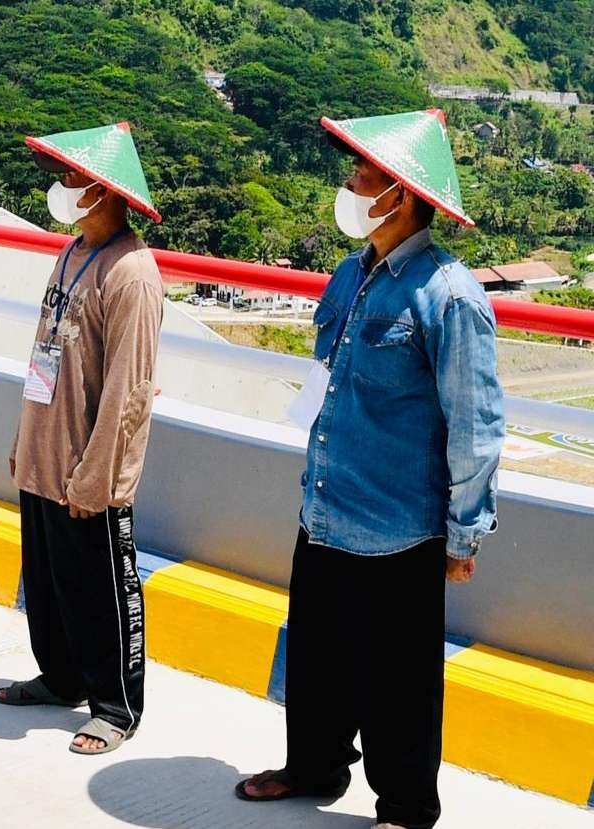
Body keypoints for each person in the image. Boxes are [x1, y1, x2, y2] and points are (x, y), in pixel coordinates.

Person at [235, 109, 505, 829]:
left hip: (399, 527)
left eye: (363, 174)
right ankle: (313, 764)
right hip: (325, 506)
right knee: (317, 656)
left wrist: (464, 533)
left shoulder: (448, 294)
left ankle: (407, 806)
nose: (349, 184)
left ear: (402, 194)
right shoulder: (351, 277)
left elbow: (475, 423)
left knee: (400, 682)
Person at [0, 123, 163, 755]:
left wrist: (99, 473)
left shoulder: (132, 273)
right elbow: (45, 349)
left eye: (74, 179)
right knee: (50, 580)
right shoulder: (70, 253)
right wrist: (26, 435)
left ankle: (116, 704)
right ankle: (60, 676)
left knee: (101, 587)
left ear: (105, 191)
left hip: (91, 465)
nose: (63, 188)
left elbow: (128, 390)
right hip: (46, 451)